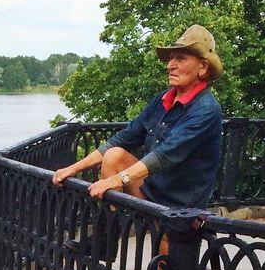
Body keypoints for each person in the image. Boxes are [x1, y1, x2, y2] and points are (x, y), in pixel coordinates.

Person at [52, 25, 223, 210]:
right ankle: (110, 231)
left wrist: (117, 179)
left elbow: (164, 155)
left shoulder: (206, 110)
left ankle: (120, 230)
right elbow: (124, 138)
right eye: (171, 58)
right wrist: (73, 168)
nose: (170, 65)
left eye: (180, 58)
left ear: (203, 66)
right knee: (114, 155)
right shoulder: (163, 99)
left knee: (165, 237)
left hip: (180, 207)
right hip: (152, 190)